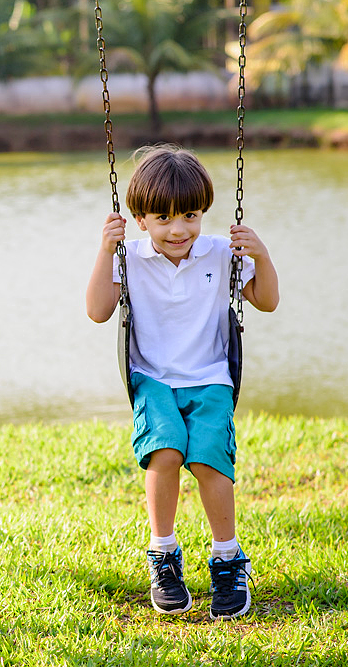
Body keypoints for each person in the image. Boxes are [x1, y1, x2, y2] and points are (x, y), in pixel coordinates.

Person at [85, 145, 279, 620]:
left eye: (190, 215)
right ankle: (163, 554)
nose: (178, 229)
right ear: (140, 218)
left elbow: (267, 301)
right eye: (163, 217)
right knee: (166, 452)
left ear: (203, 212)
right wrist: (105, 249)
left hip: (211, 377)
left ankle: (228, 559)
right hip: (151, 377)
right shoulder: (128, 257)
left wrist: (262, 254)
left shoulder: (219, 252)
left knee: (210, 459)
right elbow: (97, 311)